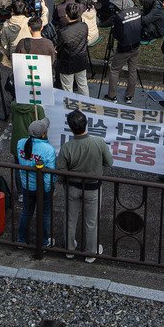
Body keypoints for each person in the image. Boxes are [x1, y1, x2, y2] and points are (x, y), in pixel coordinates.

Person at [55, 109, 113, 262]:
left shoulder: (66, 147)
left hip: (72, 187)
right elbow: (109, 162)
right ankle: (90, 252)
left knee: (70, 218)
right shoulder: (98, 142)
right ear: (86, 124)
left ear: (70, 127)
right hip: (93, 188)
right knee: (91, 221)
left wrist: (62, 183)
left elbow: (61, 171)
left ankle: (69, 249)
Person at [15, 118, 57, 246]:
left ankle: (21, 239)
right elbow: (49, 173)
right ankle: (44, 241)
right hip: (43, 188)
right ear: (43, 134)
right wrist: (48, 189)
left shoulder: (21, 143)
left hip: (27, 185)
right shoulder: (48, 149)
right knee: (44, 214)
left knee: (26, 211)